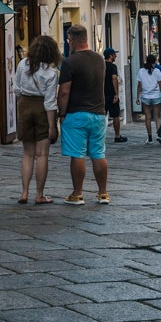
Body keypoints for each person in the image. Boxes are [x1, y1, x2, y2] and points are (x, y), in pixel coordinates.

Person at [57, 25, 110, 204]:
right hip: (99, 113)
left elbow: (64, 91)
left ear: (72, 40)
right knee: (98, 153)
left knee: (77, 154)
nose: (68, 42)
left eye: (68, 39)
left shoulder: (70, 62)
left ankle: (77, 193)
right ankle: (103, 193)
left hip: (77, 113)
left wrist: (61, 114)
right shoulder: (100, 59)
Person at [11, 35, 61, 204]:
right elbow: (50, 101)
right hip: (41, 109)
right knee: (42, 155)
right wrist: (52, 126)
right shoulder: (51, 72)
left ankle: (24, 192)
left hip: (25, 105)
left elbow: (16, 89)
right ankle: (39, 194)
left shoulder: (22, 64)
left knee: (27, 154)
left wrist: (22, 107)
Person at [137, 54, 161, 144]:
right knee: (157, 116)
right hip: (156, 96)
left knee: (148, 117)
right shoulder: (157, 71)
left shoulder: (141, 71)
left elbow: (139, 85)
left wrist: (137, 96)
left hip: (145, 96)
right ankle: (159, 135)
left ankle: (149, 138)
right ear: (155, 61)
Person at [103, 48, 127, 143]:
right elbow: (114, 79)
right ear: (110, 55)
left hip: (102, 94)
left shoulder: (100, 66)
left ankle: (98, 136)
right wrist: (116, 93)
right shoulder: (113, 67)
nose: (115, 56)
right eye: (114, 54)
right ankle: (117, 135)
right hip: (111, 94)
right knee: (115, 115)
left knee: (101, 116)